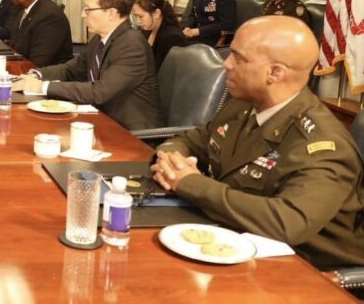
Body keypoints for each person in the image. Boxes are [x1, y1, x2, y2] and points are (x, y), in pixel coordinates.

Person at [152, 17, 364, 270]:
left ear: (275, 73)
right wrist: (170, 159)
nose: (226, 64)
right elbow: (192, 140)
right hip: (234, 241)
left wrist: (190, 183)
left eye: (238, 58)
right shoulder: (243, 104)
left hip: (308, 270)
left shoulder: (323, 146)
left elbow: (286, 222)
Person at [14, 0, 162, 130]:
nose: (82, 15)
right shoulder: (100, 39)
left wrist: (42, 87)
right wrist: (35, 75)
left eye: (88, 9)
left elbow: (99, 92)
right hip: (102, 119)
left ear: (111, 13)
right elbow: (71, 69)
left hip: (129, 132)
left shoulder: (132, 45)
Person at [6, 0, 73, 67]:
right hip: (22, 67)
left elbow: (38, 62)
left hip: (44, 73)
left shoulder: (50, 16)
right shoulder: (24, 10)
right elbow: (15, 47)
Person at [132, 0, 187, 71]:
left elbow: (168, 72)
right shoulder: (146, 30)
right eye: (136, 16)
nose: (138, 21)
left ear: (156, 13)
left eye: (141, 16)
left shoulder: (172, 37)